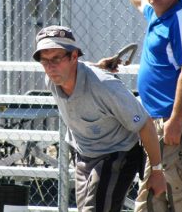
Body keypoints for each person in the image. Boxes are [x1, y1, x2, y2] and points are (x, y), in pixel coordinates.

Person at [105, 0, 182, 212]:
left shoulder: (180, 20)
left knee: (181, 197)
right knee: (154, 195)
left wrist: (176, 120)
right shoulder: (158, 14)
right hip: (155, 121)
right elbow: (140, 1)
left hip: (172, 122)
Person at [33, 25, 166, 212]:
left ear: (73, 56)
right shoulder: (53, 80)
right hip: (84, 153)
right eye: (44, 60)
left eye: (56, 58)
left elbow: (145, 123)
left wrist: (157, 171)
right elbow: (81, 69)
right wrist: (97, 66)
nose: (50, 66)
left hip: (117, 153)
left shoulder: (105, 86)